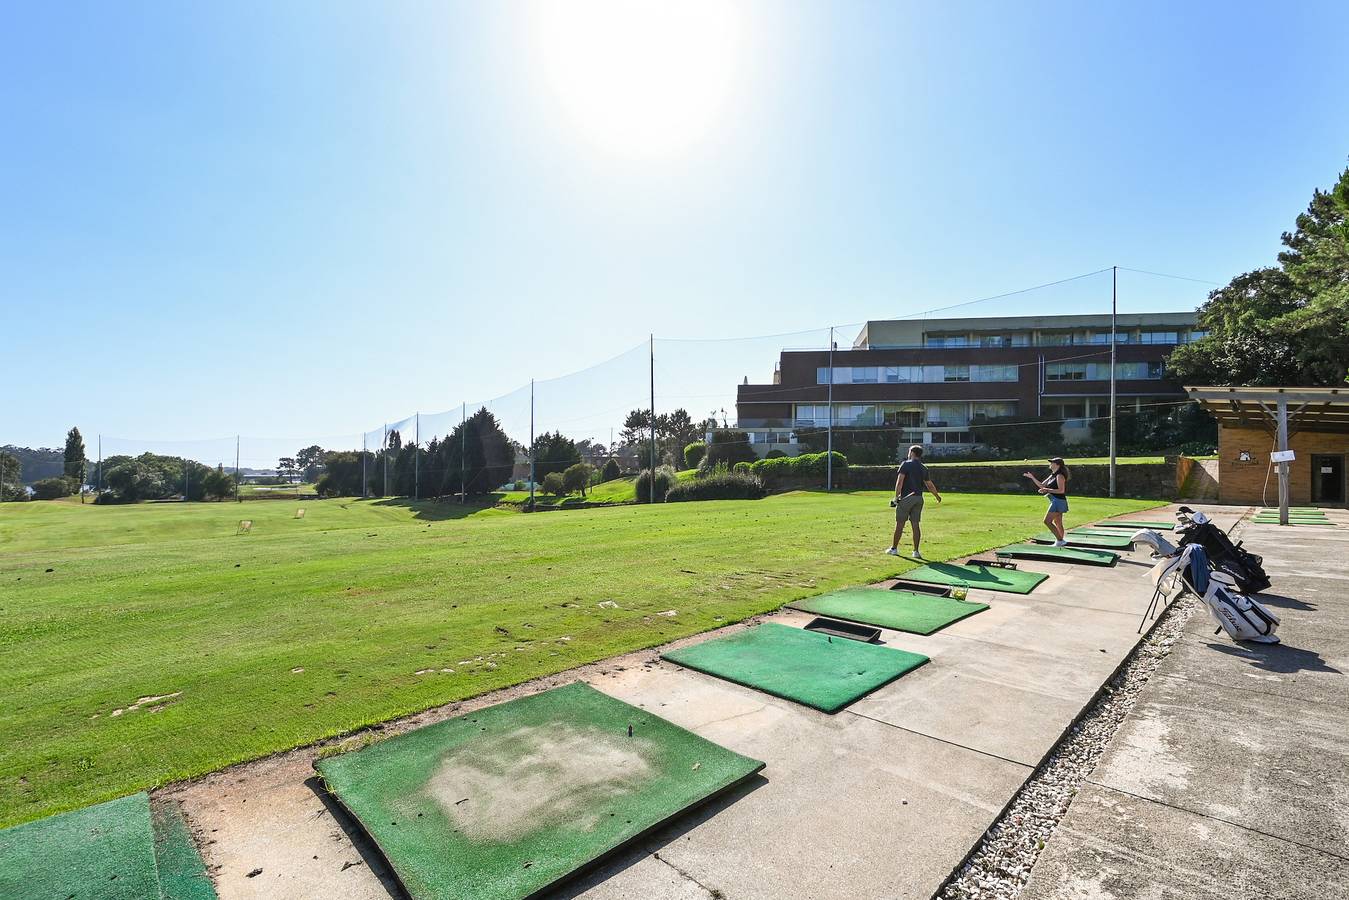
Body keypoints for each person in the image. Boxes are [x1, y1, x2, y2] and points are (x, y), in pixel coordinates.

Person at [887, 444, 942, 558]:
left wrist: (896, 497)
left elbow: (900, 482)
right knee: (915, 525)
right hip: (918, 498)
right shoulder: (923, 467)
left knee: (900, 524)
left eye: (909, 452)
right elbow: (929, 485)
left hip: (907, 498)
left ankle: (894, 549)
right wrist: (937, 496)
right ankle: (916, 551)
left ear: (912, 453)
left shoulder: (905, 464)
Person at [1024, 457, 1070, 546]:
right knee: (1058, 522)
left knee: (1047, 521)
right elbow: (1041, 485)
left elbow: (1061, 490)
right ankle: (1061, 541)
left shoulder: (1059, 475)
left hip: (1058, 501)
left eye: (1052, 462)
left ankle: (1060, 540)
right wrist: (1032, 477)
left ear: (1057, 465)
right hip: (1056, 500)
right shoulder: (1052, 475)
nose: (1050, 464)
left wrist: (1047, 490)